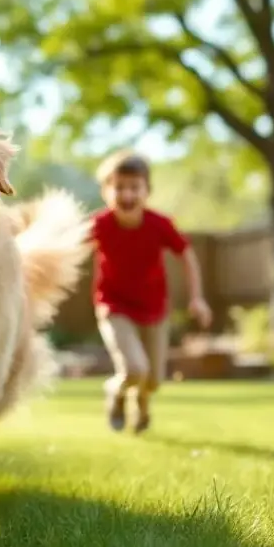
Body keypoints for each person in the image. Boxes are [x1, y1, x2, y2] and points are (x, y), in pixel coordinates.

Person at [86, 151, 212, 434]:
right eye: (119, 187)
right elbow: (66, 247)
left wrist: (197, 297)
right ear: (106, 191)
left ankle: (140, 402)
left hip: (154, 308)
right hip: (114, 306)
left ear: (147, 191)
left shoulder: (159, 224)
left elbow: (187, 255)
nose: (127, 194)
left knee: (153, 379)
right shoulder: (100, 225)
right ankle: (115, 391)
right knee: (134, 369)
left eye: (134, 187)